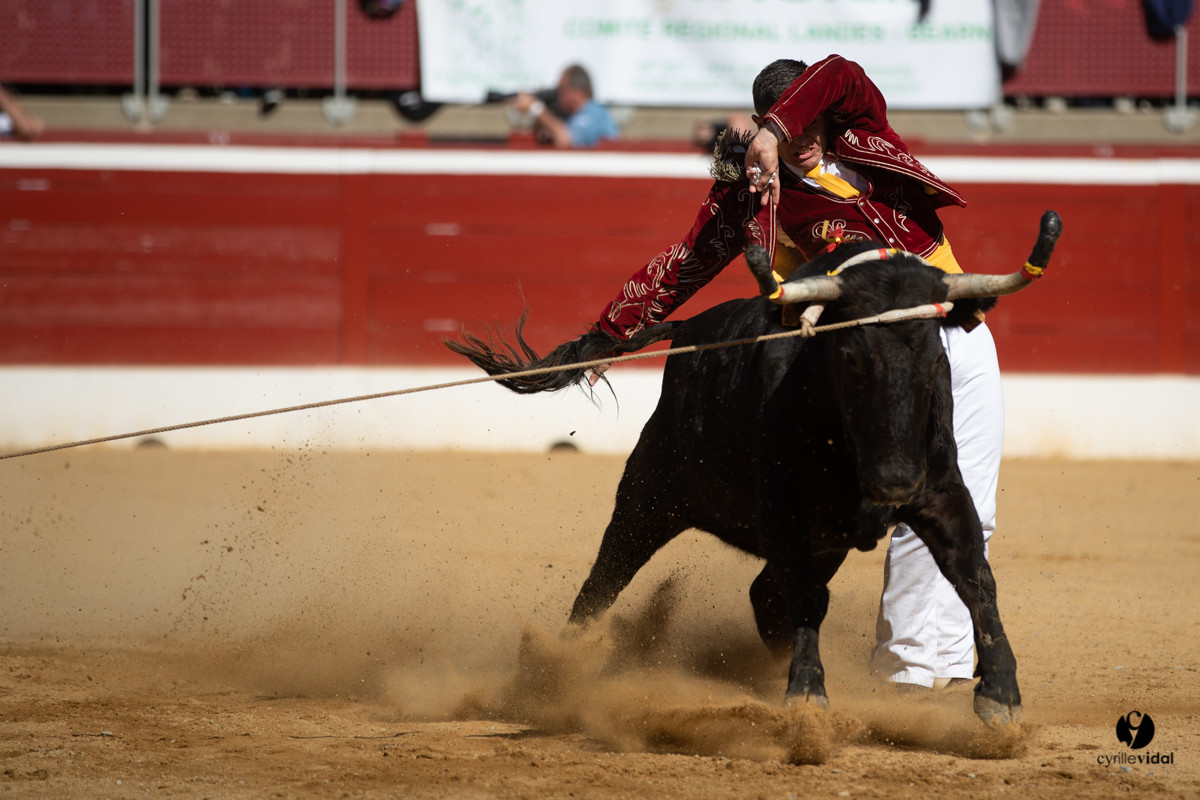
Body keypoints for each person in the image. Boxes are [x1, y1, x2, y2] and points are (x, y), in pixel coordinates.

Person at [591, 54, 1004, 694]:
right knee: (894, 494)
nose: (804, 140)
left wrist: (778, 130)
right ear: (756, 123)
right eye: (786, 126)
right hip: (862, 356)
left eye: (810, 121)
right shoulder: (754, 194)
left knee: (969, 513)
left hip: (948, 330)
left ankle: (937, 663)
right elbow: (684, 265)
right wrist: (608, 337)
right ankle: (913, 674)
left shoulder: (866, 133)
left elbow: (841, 69)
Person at [508, 64, 619, 148]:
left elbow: (566, 140)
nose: (558, 96)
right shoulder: (567, 116)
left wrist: (535, 108)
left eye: (562, 90)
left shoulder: (594, 114)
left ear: (578, 92)